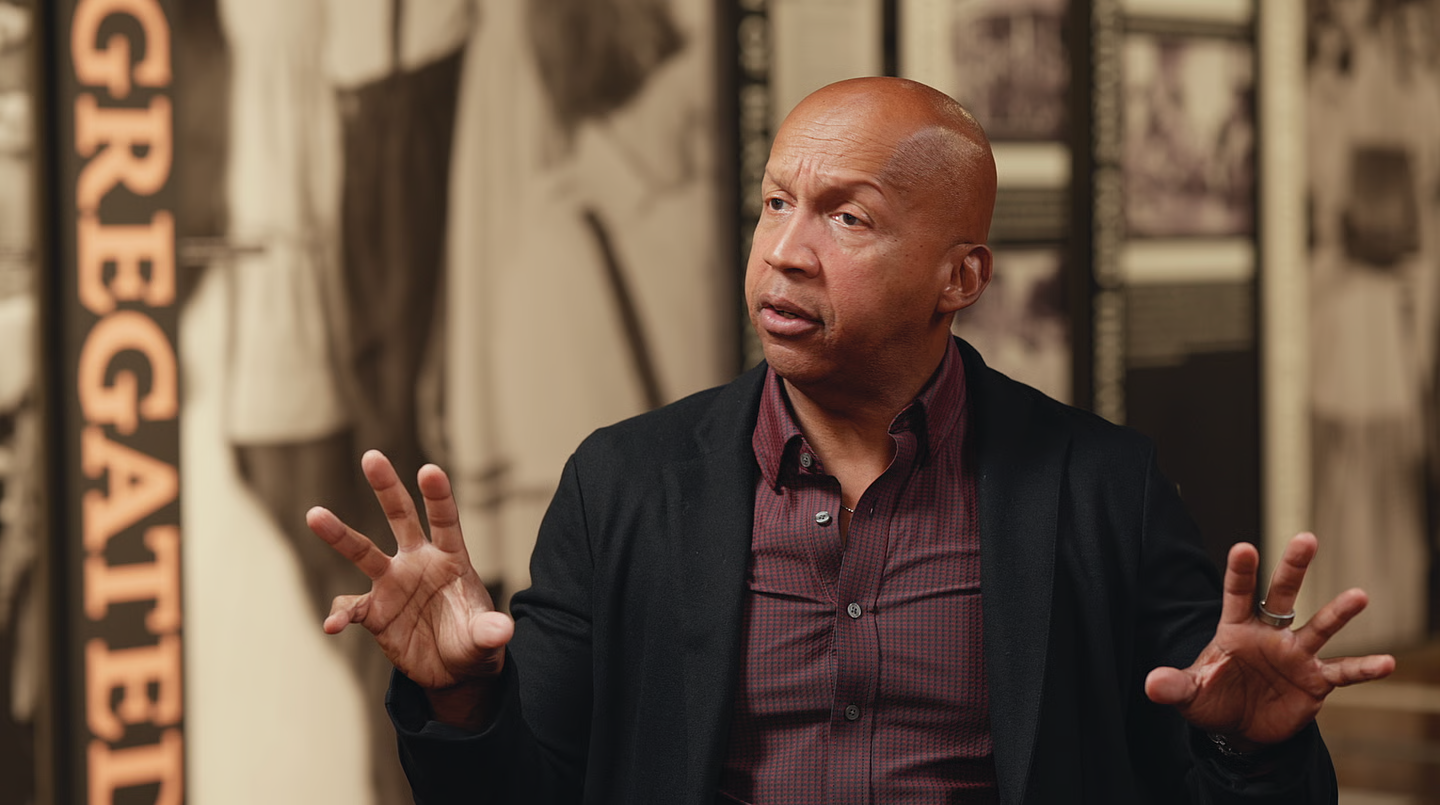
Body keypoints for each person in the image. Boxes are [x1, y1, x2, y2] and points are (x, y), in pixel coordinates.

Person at [306, 77, 1395, 803]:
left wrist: (1250, 746)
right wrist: (458, 697)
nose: (785, 251)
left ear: (960, 277)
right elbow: (527, 788)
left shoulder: (1099, 488)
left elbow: (1213, 778)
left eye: (847, 216)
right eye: (775, 203)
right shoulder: (627, 484)